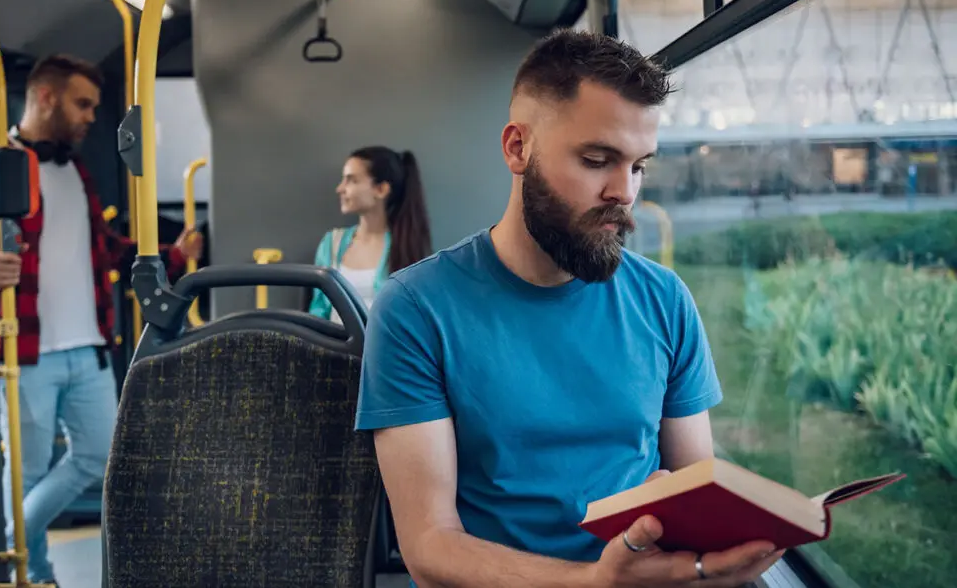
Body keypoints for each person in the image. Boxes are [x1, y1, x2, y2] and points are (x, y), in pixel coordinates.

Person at [354, 29, 785, 588]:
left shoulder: (665, 300)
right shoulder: (415, 309)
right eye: (597, 159)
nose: (624, 191)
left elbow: (693, 485)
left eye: (638, 166)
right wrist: (596, 581)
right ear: (518, 148)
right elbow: (430, 544)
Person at [0, 53, 203, 585]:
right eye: (82, 104)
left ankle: (11, 543)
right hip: (24, 348)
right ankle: (36, 575)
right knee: (28, 472)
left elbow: (104, 250)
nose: (91, 116)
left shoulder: (76, 170)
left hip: (89, 347)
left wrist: (172, 258)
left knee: (98, 458)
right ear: (45, 97)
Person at [308, 146, 432, 323]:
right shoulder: (332, 244)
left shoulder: (405, 247)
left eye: (352, 180)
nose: (340, 188)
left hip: (383, 349)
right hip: (332, 347)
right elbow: (318, 309)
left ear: (381, 190)